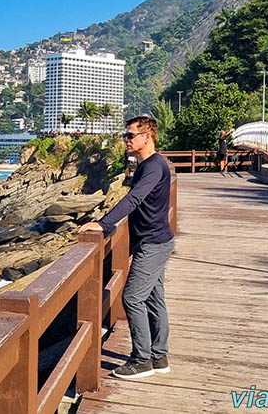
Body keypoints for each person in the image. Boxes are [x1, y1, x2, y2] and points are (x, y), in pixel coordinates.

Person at [79, 115, 174, 379]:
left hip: (153, 243)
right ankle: (159, 357)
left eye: (130, 135)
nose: (126, 140)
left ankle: (141, 359)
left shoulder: (154, 166)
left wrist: (102, 224)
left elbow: (133, 199)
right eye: (126, 135)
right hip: (154, 240)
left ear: (147, 137)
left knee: (132, 297)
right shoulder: (148, 164)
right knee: (154, 300)